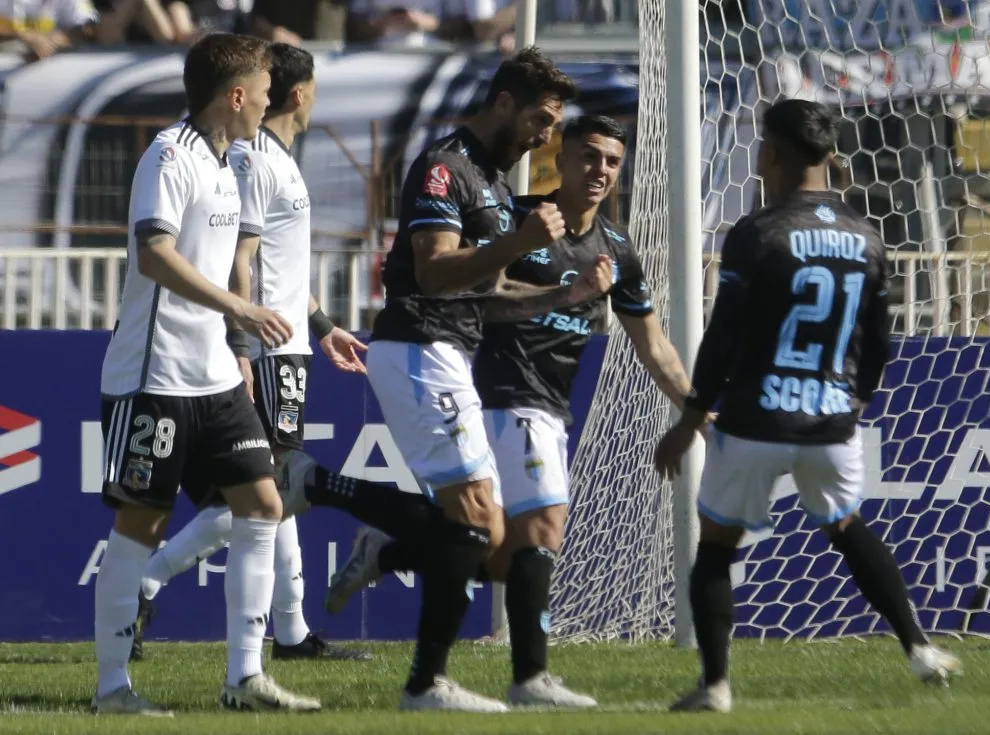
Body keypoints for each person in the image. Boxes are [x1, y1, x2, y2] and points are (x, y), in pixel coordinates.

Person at [326, 114, 706, 708]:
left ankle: (392, 549)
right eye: (588, 156)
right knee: (542, 530)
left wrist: (694, 406)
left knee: (504, 552)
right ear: (562, 157)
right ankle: (527, 679)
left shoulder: (618, 251)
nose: (600, 170)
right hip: (503, 396)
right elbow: (479, 292)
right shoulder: (520, 223)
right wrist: (551, 288)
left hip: (552, 407)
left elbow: (653, 343)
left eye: (611, 160)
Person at [276, 48, 614, 712]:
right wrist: (517, 242)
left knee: (485, 539)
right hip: (416, 350)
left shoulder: (488, 178)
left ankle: (362, 535)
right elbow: (433, 274)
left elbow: (484, 292)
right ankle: (424, 680)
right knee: (476, 528)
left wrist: (559, 295)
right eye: (542, 120)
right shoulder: (445, 168)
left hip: (448, 353)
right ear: (504, 103)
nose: (547, 136)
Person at [652, 98, 962, 714]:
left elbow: (724, 336)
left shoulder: (758, 232)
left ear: (770, 152)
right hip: (830, 419)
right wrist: (858, 397)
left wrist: (690, 418)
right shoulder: (865, 234)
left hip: (755, 417)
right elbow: (879, 337)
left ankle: (715, 686)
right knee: (845, 527)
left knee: (716, 546)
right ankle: (919, 647)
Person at [92, 32, 319, 715]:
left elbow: (230, 263)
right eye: (264, 88)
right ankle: (112, 689)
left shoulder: (230, 165)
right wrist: (238, 308)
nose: (273, 101)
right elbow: (155, 253)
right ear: (237, 94)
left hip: (217, 377)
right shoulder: (171, 154)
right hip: (154, 376)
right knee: (142, 523)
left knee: (263, 503)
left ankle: (245, 678)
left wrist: (239, 350)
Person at [129, 43, 370, 663]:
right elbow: (242, 261)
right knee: (266, 490)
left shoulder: (279, 159)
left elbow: (282, 265)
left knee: (273, 492)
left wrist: (320, 324)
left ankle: (288, 632)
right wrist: (243, 341)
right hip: (265, 347)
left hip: (288, 340)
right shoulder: (252, 160)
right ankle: (149, 579)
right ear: (297, 92)